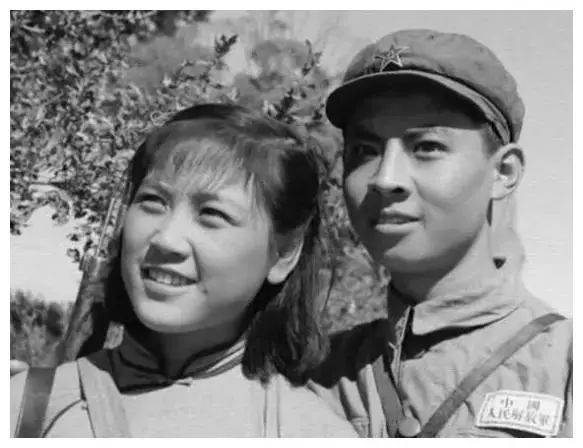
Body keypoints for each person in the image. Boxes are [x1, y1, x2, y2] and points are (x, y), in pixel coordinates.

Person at [10, 103, 357, 437]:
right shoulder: (28, 407)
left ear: (284, 253)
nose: (166, 239)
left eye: (212, 214)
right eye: (152, 201)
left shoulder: (312, 431)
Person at [308, 29, 572, 438]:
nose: (385, 179)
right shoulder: (315, 377)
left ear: (503, 173)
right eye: (364, 150)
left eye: (427, 147)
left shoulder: (562, 366)